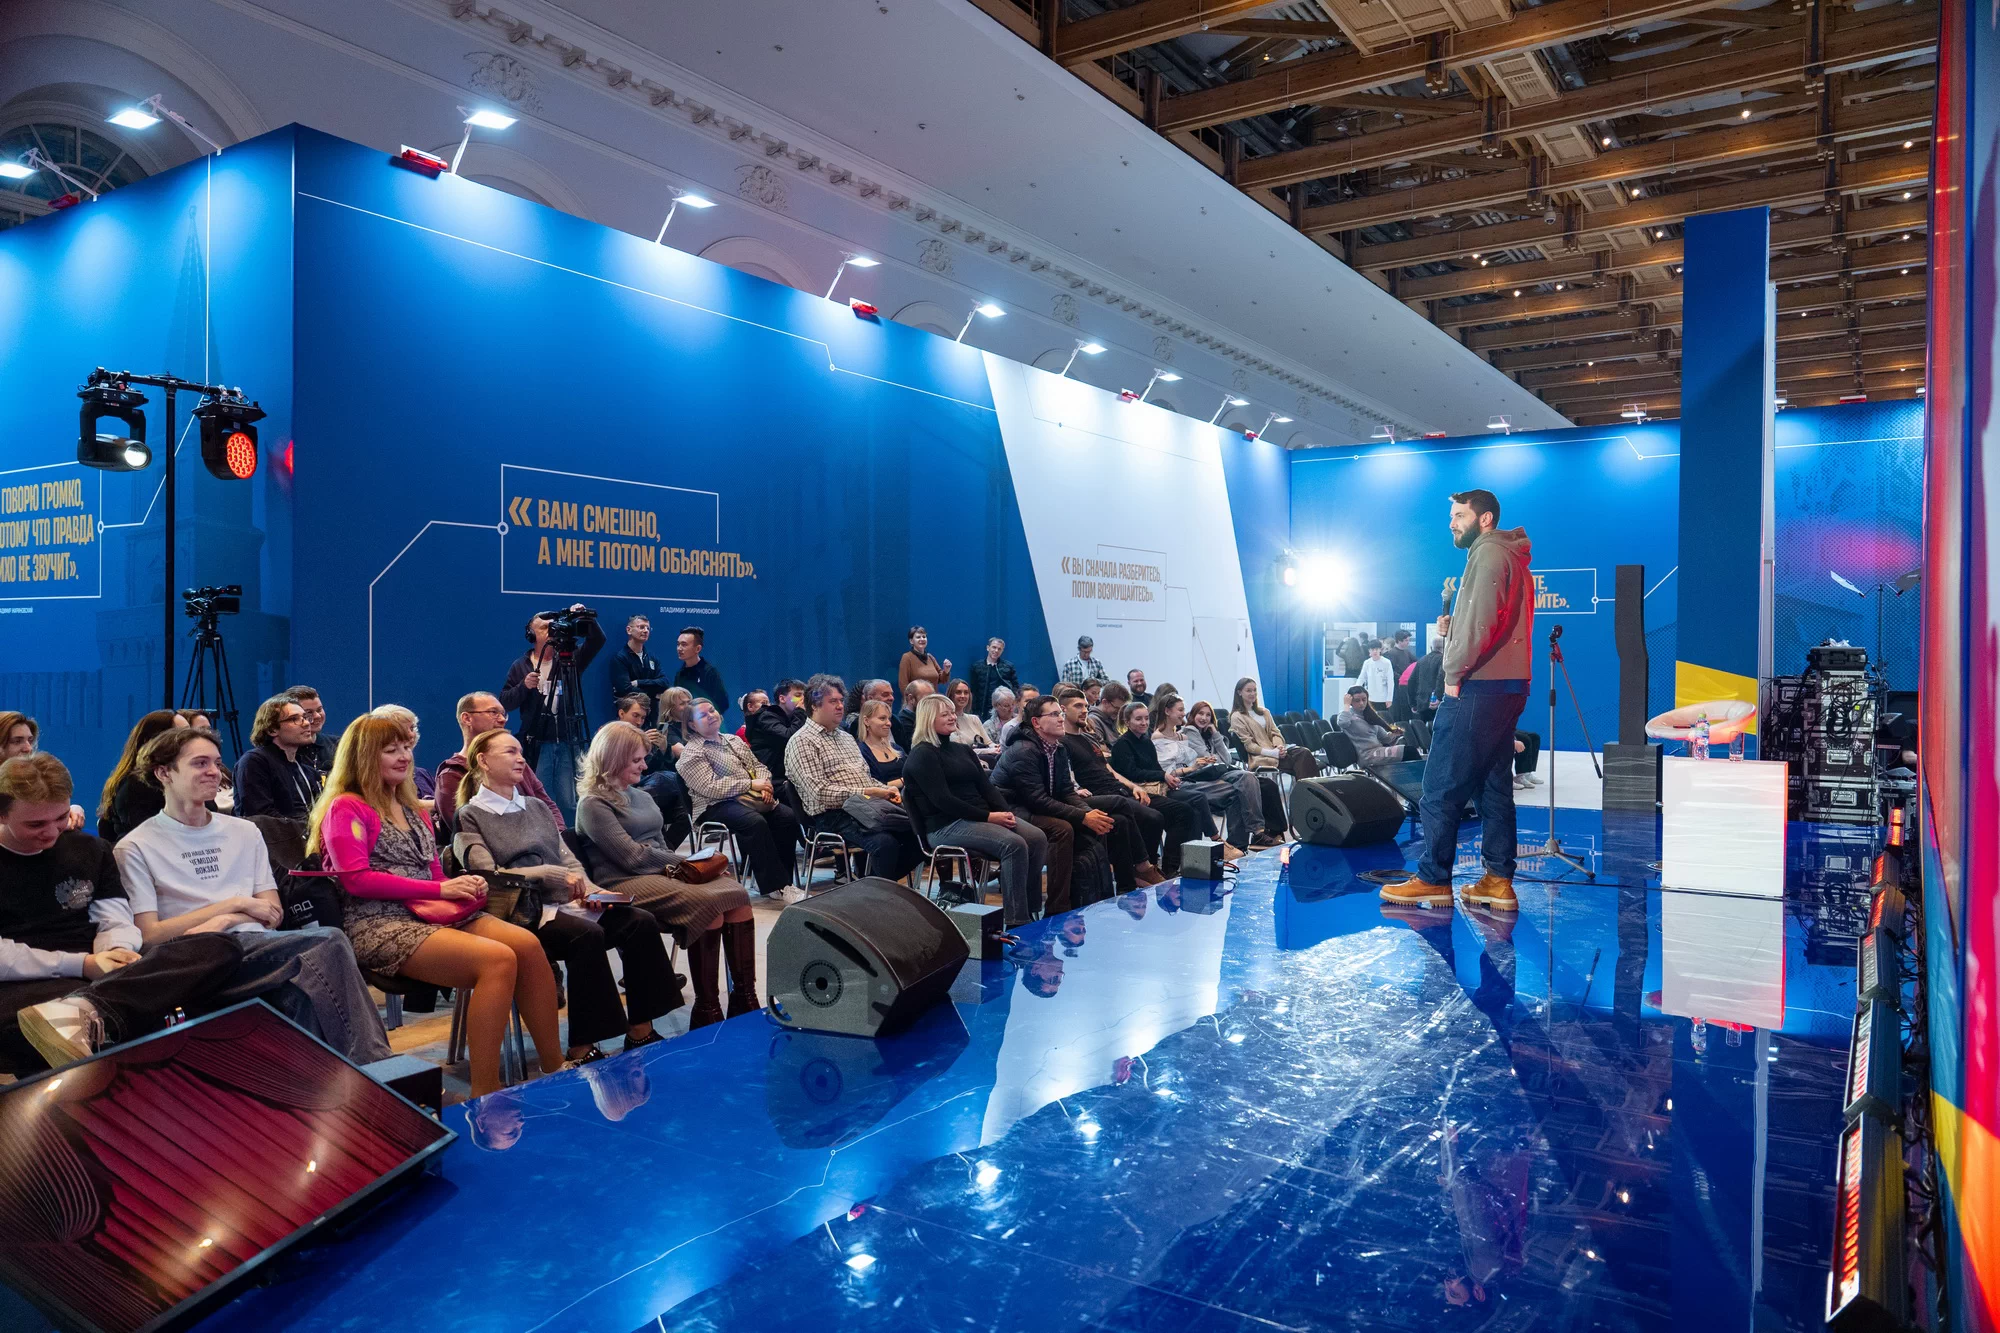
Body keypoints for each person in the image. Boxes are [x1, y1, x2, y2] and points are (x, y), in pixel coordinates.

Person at [310, 715, 567, 1097]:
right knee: (498, 960)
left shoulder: (413, 809)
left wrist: (463, 886)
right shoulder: (346, 807)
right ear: (364, 756)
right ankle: (487, 1093)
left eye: (406, 748)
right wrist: (441, 890)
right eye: (391, 749)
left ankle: (555, 1068)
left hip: (433, 911)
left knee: (528, 945)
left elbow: (432, 872)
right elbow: (356, 880)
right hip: (379, 921)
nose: (404, 756)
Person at [110, 726, 391, 1064]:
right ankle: (379, 1070)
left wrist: (227, 917)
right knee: (328, 942)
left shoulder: (245, 831)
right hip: (196, 960)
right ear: (163, 773)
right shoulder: (136, 846)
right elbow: (150, 935)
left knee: (302, 994)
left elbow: (272, 912)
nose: (214, 772)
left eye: (216, 763)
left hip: (260, 950)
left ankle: (329, 1089)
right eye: (200, 763)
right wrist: (238, 904)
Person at [1, 753, 261, 1072]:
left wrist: (115, 953)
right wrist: (83, 964)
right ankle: (89, 1017)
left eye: (61, 817)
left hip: (98, 972)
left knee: (220, 947)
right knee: (35, 1018)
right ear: (2, 815)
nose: (52, 832)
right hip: (27, 978)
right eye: (35, 825)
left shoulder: (90, 850)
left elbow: (114, 918)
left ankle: (87, 1010)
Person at [451, 728, 677, 1061]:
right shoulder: (469, 815)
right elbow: (489, 875)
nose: (521, 758)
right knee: (586, 935)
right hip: (518, 911)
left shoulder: (536, 807)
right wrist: (551, 874)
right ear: (483, 761)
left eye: (520, 751)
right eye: (510, 752)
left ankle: (640, 1030)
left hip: (563, 903)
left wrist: (592, 889)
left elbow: (566, 857)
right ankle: (582, 1045)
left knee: (639, 921)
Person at [1382, 488, 1533, 914]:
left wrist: (1452, 671)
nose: (1452, 523)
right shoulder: (1510, 555)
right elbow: (1492, 620)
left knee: (1439, 786)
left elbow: (1482, 624)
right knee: (1493, 787)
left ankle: (1432, 879)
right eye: (1451, 516)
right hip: (1507, 685)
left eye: (1460, 515)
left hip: (1478, 686)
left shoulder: (1488, 554)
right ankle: (1497, 881)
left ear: (1485, 519)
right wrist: (1455, 629)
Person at [577, 721, 756, 1025]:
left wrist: (691, 868)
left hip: (659, 871)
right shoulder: (592, 805)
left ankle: (744, 997)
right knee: (708, 903)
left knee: (737, 894)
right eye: (636, 760)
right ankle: (707, 1007)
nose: (645, 766)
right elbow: (630, 857)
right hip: (621, 881)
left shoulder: (641, 796)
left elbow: (659, 844)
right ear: (613, 759)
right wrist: (686, 865)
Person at [992, 695, 1158, 903]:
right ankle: (1058, 905)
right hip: (1013, 810)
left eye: (1060, 714)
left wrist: (1089, 814)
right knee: (1063, 829)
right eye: (1054, 714)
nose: (1060, 718)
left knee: (1107, 821)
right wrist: (1082, 816)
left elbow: (1066, 792)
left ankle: (1102, 897)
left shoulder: (1057, 748)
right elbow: (1037, 800)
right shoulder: (1024, 750)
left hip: (1037, 805)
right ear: (1036, 722)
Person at [903, 694, 1049, 926]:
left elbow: (987, 788)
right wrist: (989, 817)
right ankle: (1016, 919)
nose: (953, 717)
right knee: (1013, 844)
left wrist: (1005, 813)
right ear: (928, 719)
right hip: (945, 824)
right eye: (945, 714)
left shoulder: (962, 749)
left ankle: (1031, 909)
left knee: (1037, 838)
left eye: (952, 712)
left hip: (979, 818)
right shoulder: (922, 754)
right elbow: (944, 801)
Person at [783, 678, 922, 882]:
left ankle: (870, 887)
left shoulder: (846, 738)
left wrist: (885, 790)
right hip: (832, 815)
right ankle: (874, 892)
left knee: (920, 835)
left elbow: (866, 779)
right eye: (833, 701)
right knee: (885, 844)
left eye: (841, 700)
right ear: (814, 705)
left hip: (866, 805)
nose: (840, 706)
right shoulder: (802, 741)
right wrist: (868, 792)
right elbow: (819, 793)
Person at [678, 698, 801, 899]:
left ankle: (784, 881)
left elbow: (758, 766)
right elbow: (711, 787)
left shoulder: (732, 740)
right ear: (692, 725)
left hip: (749, 798)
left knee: (787, 817)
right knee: (754, 821)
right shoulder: (692, 754)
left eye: (712, 710)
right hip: (714, 805)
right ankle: (776, 885)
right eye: (703, 715)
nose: (711, 716)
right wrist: (751, 785)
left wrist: (765, 786)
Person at [499, 604, 607, 818]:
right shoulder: (520, 666)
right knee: (540, 798)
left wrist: (585, 618)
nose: (550, 630)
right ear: (532, 635)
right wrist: (523, 686)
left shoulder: (570, 659)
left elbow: (598, 640)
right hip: (538, 743)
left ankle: (569, 835)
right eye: (543, 628)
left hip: (567, 740)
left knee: (568, 800)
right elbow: (505, 702)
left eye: (552, 626)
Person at [1055, 687, 1175, 873]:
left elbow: (1108, 769)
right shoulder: (1062, 741)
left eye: (1085, 706)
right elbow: (1067, 773)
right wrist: (1075, 789)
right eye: (1078, 706)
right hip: (1099, 794)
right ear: (1063, 709)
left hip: (1118, 789)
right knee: (1151, 817)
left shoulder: (1089, 739)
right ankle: (1144, 868)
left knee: (1170, 812)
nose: (1084, 710)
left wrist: (1133, 786)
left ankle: (1150, 868)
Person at [1153, 693, 1278, 849]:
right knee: (1240, 787)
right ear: (1167, 711)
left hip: (1194, 777)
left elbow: (1224, 760)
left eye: (1208, 715)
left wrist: (1215, 735)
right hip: (1178, 783)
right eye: (1180, 710)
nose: (1183, 713)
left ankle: (1239, 846)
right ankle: (1233, 842)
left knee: (1241, 789)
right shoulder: (1162, 737)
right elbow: (1166, 772)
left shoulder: (1182, 737)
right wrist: (1191, 768)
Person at [1107, 701, 1227, 861]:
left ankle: (1192, 861)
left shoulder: (1146, 741)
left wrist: (1168, 778)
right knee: (1194, 802)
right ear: (1127, 722)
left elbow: (1155, 768)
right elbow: (1132, 773)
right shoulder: (1122, 744)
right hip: (1138, 791)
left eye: (1146, 718)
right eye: (1138, 719)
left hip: (1157, 787)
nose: (1144, 723)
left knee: (1195, 810)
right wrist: (1163, 776)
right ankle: (1212, 843)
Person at [435, 692, 565, 830]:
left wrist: (558, 837)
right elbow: (464, 829)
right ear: (467, 718)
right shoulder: (451, 774)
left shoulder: (518, 764)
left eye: (503, 714)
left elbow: (547, 806)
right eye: (493, 712)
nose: (502, 719)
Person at [1186, 698, 1289, 836]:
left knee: (1267, 784)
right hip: (1206, 775)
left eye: (1208, 715)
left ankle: (1276, 831)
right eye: (1200, 713)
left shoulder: (1209, 734)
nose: (1204, 718)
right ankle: (1258, 830)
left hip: (1221, 770)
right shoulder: (1190, 732)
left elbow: (1227, 759)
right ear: (1193, 715)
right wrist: (1217, 756)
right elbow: (1208, 759)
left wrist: (1215, 734)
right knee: (1247, 778)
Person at [94, 710, 189, 845]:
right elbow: (149, 840)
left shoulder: (182, 778)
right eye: (183, 735)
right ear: (155, 741)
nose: (193, 740)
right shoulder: (135, 786)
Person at [234, 695, 323, 821]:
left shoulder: (308, 770)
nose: (307, 723)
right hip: (272, 834)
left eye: (304, 717)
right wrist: (307, 829)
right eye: (294, 719)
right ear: (272, 729)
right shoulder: (254, 762)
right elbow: (263, 816)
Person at [0, 713, 87, 830]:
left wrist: (69, 811)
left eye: (30, 740)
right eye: (17, 741)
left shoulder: (31, 779)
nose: (28, 748)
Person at [1229, 677, 1319, 779]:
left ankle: (1310, 787)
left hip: (1277, 750)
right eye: (1249, 691)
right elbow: (1249, 745)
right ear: (1239, 692)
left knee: (1304, 753)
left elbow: (1275, 732)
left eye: (1254, 690)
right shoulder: (1237, 717)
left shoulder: (1264, 712)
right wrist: (1273, 753)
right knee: (1302, 761)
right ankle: (1308, 787)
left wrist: (1279, 747)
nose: (1253, 693)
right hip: (1261, 756)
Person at [368, 705, 438, 812]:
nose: (411, 734)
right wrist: (440, 805)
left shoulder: (422, 774)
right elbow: (391, 803)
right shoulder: (374, 778)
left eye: (412, 728)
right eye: (402, 729)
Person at [609, 614, 672, 728]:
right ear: (629, 630)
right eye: (641, 627)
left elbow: (665, 683)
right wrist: (654, 694)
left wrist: (639, 682)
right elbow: (625, 690)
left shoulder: (652, 657)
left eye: (648, 628)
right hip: (631, 716)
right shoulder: (620, 658)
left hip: (652, 715)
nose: (646, 630)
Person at [1337, 685, 1409, 767]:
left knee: (1409, 751)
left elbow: (1385, 738)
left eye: (1364, 700)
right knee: (1408, 752)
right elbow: (1342, 723)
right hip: (1367, 755)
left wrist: (1394, 734)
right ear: (1351, 702)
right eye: (1357, 701)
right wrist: (1346, 705)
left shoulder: (1370, 715)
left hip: (1378, 751)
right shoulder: (1347, 714)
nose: (1361, 703)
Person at [748, 677, 807, 774]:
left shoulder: (797, 717)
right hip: (770, 775)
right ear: (782, 699)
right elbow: (790, 739)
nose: (803, 699)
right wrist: (800, 711)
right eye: (798, 695)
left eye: (805, 695)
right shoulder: (766, 717)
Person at [671, 626, 726, 715]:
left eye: (684, 644)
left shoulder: (710, 673)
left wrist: (705, 716)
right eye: (678, 644)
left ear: (698, 649)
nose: (679, 648)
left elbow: (723, 703)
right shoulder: (680, 674)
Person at [284, 686, 336, 775]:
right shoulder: (284, 751)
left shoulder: (338, 745)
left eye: (319, 710)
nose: (317, 716)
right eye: (308, 712)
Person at [967, 639, 1019, 722]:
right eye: (994, 647)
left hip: (1001, 710)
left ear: (1002, 651)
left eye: (999, 649)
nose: (996, 651)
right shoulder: (977, 666)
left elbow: (1015, 688)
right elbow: (973, 690)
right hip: (981, 710)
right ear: (988, 648)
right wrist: (974, 711)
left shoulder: (1009, 667)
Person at [858, 699, 907, 787]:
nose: (889, 723)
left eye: (889, 719)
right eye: (882, 718)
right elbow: (871, 786)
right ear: (866, 721)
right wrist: (904, 781)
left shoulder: (896, 748)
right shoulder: (860, 753)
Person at [943, 679, 997, 750]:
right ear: (951, 695)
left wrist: (997, 747)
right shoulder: (949, 721)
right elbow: (962, 751)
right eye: (958, 692)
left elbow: (989, 743)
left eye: (966, 692)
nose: (963, 696)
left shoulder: (974, 719)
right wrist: (987, 751)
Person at [897, 625, 951, 693]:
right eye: (918, 637)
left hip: (933, 698)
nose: (922, 639)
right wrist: (910, 698)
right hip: (917, 699)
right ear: (911, 641)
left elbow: (942, 680)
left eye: (924, 637)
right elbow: (903, 684)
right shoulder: (907, 657)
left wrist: (946, 670)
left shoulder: (930, 657)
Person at [892, 679, 932, 752]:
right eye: (926, 699)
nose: (932, 703)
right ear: (911, 699)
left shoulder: (929, 718)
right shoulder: (903, 722)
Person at [1359, 640, 1397, 707]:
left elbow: (1390, 682)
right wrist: (1355, 690)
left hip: (1383, 698)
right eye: (1372, 649)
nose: (1375, 651)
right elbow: (1361, 678)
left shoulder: (1386, 662)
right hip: (1369, 698)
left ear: (1380, 649)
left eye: (1376, 649)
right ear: (1369, 650)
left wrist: (1389, 698)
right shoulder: (1367, 663)